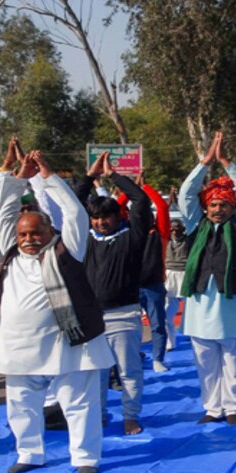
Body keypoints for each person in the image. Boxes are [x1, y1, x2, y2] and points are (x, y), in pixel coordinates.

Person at [0, 142, 113, 473]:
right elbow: (2, 208)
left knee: (79, 403)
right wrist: (12, 176)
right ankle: (30, 453)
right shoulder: (11, 252)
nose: (29, 239)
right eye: (24, 234)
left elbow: (75, 214)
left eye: (36, 232)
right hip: (19, 344)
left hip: (69, 340)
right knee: (20, 404)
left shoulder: (68, 249)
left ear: (49, 231)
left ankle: (85, 458)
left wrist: (47, 177)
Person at [178, 132, 236, 425]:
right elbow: (187, 193)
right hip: (200, 305)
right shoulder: (193, 226)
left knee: (235, 361)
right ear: (206, 207)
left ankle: (234, 407)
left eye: (223, 205)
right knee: (206, 362)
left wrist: (227, 164)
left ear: (232, 208)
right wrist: (204, 163)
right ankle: (212, 408)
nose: (217, 209)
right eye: (213, 205)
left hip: (232, 303)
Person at [75, 151, 152, 436]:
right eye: (95, 218)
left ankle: (131, 416)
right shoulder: (85, 240)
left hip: (124, 315)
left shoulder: (132, 236)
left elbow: (141, 200)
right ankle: (99, 415)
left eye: (106, 217)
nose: (100, 222)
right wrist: (88, 177)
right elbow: (73, 206)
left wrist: (114, 176)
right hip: (91, 317)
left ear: (117, 217)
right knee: (94, 374)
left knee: (128, 371)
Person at [115, 172, 172, 372]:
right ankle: (134, 356)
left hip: (154, 285)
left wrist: (144, 186)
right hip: (129, 286)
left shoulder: (161, 232)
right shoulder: (126, 230)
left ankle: (158, 358)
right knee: (130, 327)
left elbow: (163, 206)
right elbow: (118, 207)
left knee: (157, 324)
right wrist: (130, 188)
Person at [163, 217, 188, 351]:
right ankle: (170, 342)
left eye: (177, 229)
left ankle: (192, 333)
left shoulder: (189, 240)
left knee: (192, 309)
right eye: (171, 229)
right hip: (169, 275)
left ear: (183, 230)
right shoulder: (164, 240)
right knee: (167, 313)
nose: (174, 232)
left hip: (184, 275)